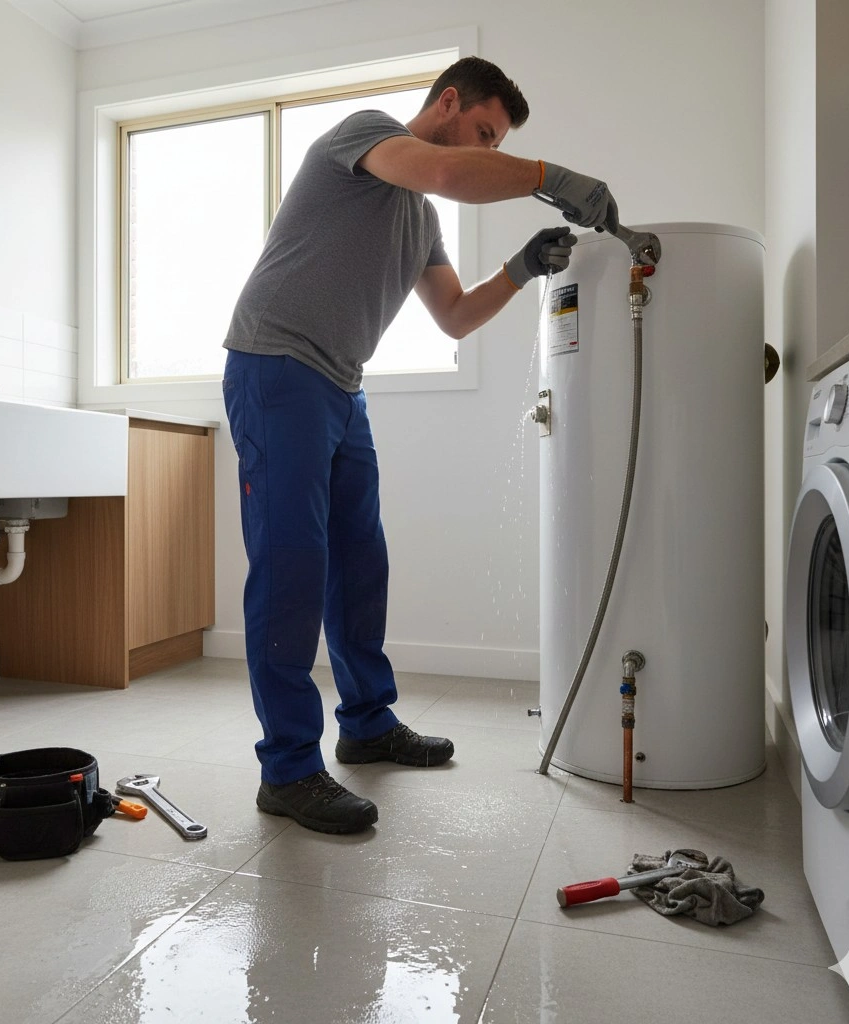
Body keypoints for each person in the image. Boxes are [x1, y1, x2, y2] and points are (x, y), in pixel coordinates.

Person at [222, 55, 618, 835]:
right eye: (485, 132)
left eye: (498, 141)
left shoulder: (421, 222)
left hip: (341, 385)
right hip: (276, 365)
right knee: (291, 565)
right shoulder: (366, 136)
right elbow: (445, 170)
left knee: (361, 562)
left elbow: (456, 315)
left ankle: (367, 724)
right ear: (447, 103)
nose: (489, 149)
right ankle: (289, 769)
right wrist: (551, 176)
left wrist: (522, 268)